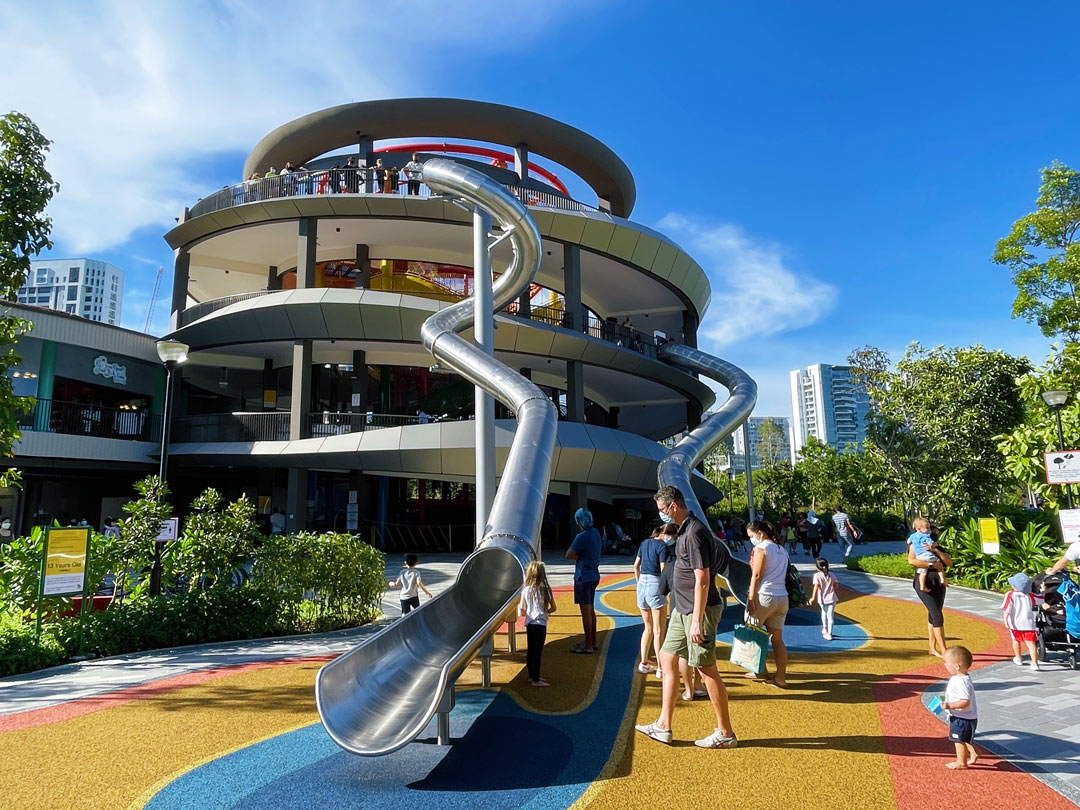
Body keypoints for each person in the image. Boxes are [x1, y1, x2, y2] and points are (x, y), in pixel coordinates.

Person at [636, 485, 737, 749]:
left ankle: (725, 733)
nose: (661, 515)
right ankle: (662, 725)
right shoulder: (684, 531)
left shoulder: (693, 533)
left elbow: (702, 578)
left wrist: (696, 619)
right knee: (667, 659)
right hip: (683, 609)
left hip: (697, 611)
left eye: (662, 510)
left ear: (673, 506)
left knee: (706, 668)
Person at [746, 520, 790, 687]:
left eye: (751, 536)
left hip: (764, 595)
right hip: (782, 597)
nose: (751, 539)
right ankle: (780, 678)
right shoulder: (782, 550)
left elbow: (756, 575)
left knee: (753, 634)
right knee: (777, 640)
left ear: (760, 534)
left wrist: (750, 598)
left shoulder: (761, 549)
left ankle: (760, 670)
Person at [908, 522, 952, 657]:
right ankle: (944, 650)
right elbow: (912, 561)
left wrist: (935, 549)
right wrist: (932, 564)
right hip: (923, 581)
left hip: (937, 583)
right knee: (937, 615)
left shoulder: (936, 546)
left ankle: (932, 648)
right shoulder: (915, 545)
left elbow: (949, 562)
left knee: (933, 613)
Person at [634, 527, 672, 676]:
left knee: (647, 628)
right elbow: (664, 569)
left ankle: (644, 663)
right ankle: (661, 667)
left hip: (642, 584)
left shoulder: (644, 543)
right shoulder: (663, 546)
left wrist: (638, 582)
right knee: (659, 630)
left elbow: (636, 565)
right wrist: (666, 588)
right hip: (655, 583)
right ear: (663, 534)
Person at [566, 507, 601, 653]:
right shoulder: (596, 533)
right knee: (591, 609)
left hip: (583, 576)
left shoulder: (582, 536)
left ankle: (587, 645)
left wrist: (578, 557)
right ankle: (592, 641)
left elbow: (569, 554)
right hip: (594, 574)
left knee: (585, 611)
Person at [518, 560, 557, 687]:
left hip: (530, 623)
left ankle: (531, 675)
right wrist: (545, 612)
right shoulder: (545, 589)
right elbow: (553, 607)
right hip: (540, 623)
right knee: (538, 651)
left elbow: (523, 610)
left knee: (531, 650)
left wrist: (529, 612)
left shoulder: (526, 590)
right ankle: (536, 679)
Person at [941, 645, 979, 770]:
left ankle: (961, 762)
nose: (945, 665)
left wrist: (949, 705)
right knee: (964, 737)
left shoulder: (962, 682)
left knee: (958, 739)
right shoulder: (959, 678)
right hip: (962, 716)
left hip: (962, 717)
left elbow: (965, 701)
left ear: (957, 666)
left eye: (946, 663)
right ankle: (973, 752)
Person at [1001, 572, 1040, 671]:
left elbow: (1006, 608)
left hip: (1015, 623)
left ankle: (1018, 658)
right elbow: (1041, 600)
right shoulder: (1030, 595)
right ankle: (1035, 663)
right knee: (1031, 643)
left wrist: (1005, 619)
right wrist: (1043, 591)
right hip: (1029, 623)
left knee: (1016, 640)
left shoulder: (1010, 595)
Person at [909, 516, 946, 592]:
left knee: (922, 573)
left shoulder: (913, 536)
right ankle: (942, 579)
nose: (928, 530)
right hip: (927, 555)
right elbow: (931, 544)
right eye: (927, 528)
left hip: (919, 556)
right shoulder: (925, 536)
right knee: (939, 563)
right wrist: (934, 545)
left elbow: (908, 541)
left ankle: (922, 586)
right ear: (918, 529)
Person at [808, 557, 839, 640]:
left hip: (822, 598)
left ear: (818, 567)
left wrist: (812, 598)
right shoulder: (832, 575)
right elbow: (836, 586)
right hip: (832, 598)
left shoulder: (817, 576)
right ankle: (830, 632)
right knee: (830, 615)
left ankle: (825, 628)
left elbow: (816, 587)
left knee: (824, 613)